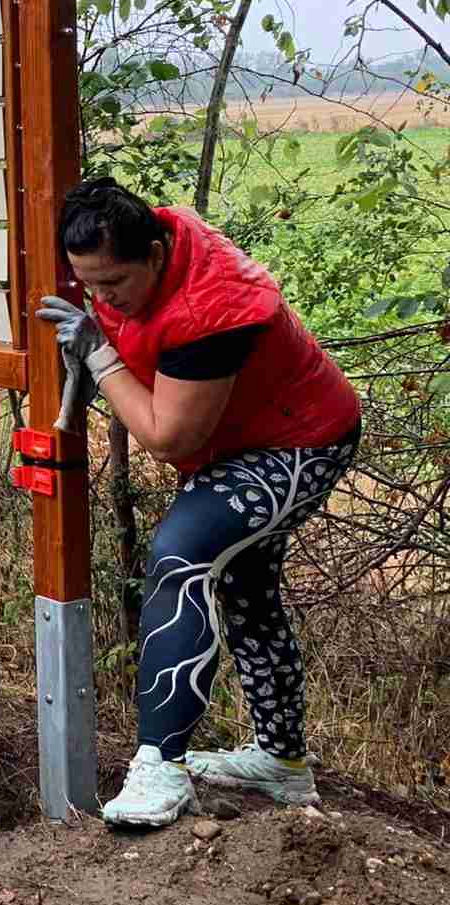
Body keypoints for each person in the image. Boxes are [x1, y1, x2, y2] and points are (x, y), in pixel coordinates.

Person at [36, 178, 360, 828]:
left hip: (301, 442)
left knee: (181, 554)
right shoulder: (153, 240)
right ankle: (282, 763)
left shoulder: (213, 311)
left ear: (155, 255)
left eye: (114, 285)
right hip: (243, 444)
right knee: (247, 590)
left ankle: (162, 765)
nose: (102, 300)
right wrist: (107, 324)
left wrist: (99, 354)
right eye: (88, 286)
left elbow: (165, 434)